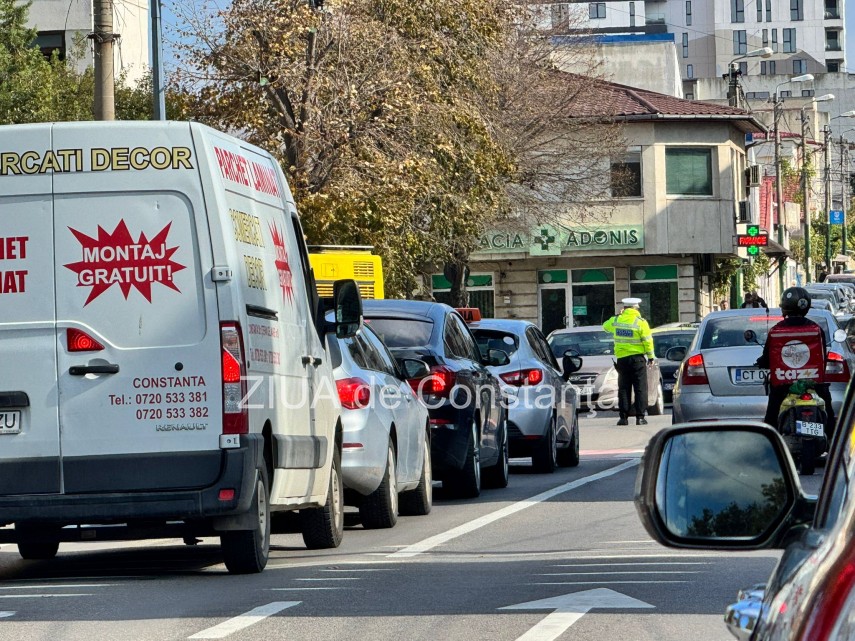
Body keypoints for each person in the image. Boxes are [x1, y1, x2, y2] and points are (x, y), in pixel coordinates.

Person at [755, 287, 835, 441]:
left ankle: (771, 445)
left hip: (783, 386)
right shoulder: (816, 329)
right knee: (828, 412)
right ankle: (831, 444)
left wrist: (762, 362)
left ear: (784, 307)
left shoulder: (776, 330)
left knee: (771, 417)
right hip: (814, 384)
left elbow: (767, 357)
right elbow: (822, 357)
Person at [603, 298, 655, 426]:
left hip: (622, 360)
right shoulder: (641, 322)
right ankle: (640, 417)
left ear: (624, 308)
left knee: (624, 389)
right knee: (640, 388)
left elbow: (605, 327)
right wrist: (651, 357)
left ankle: (623, 418)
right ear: (636, 308)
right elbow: (647, 341)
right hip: (637, 360)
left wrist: (617, 316)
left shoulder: (616, 320)